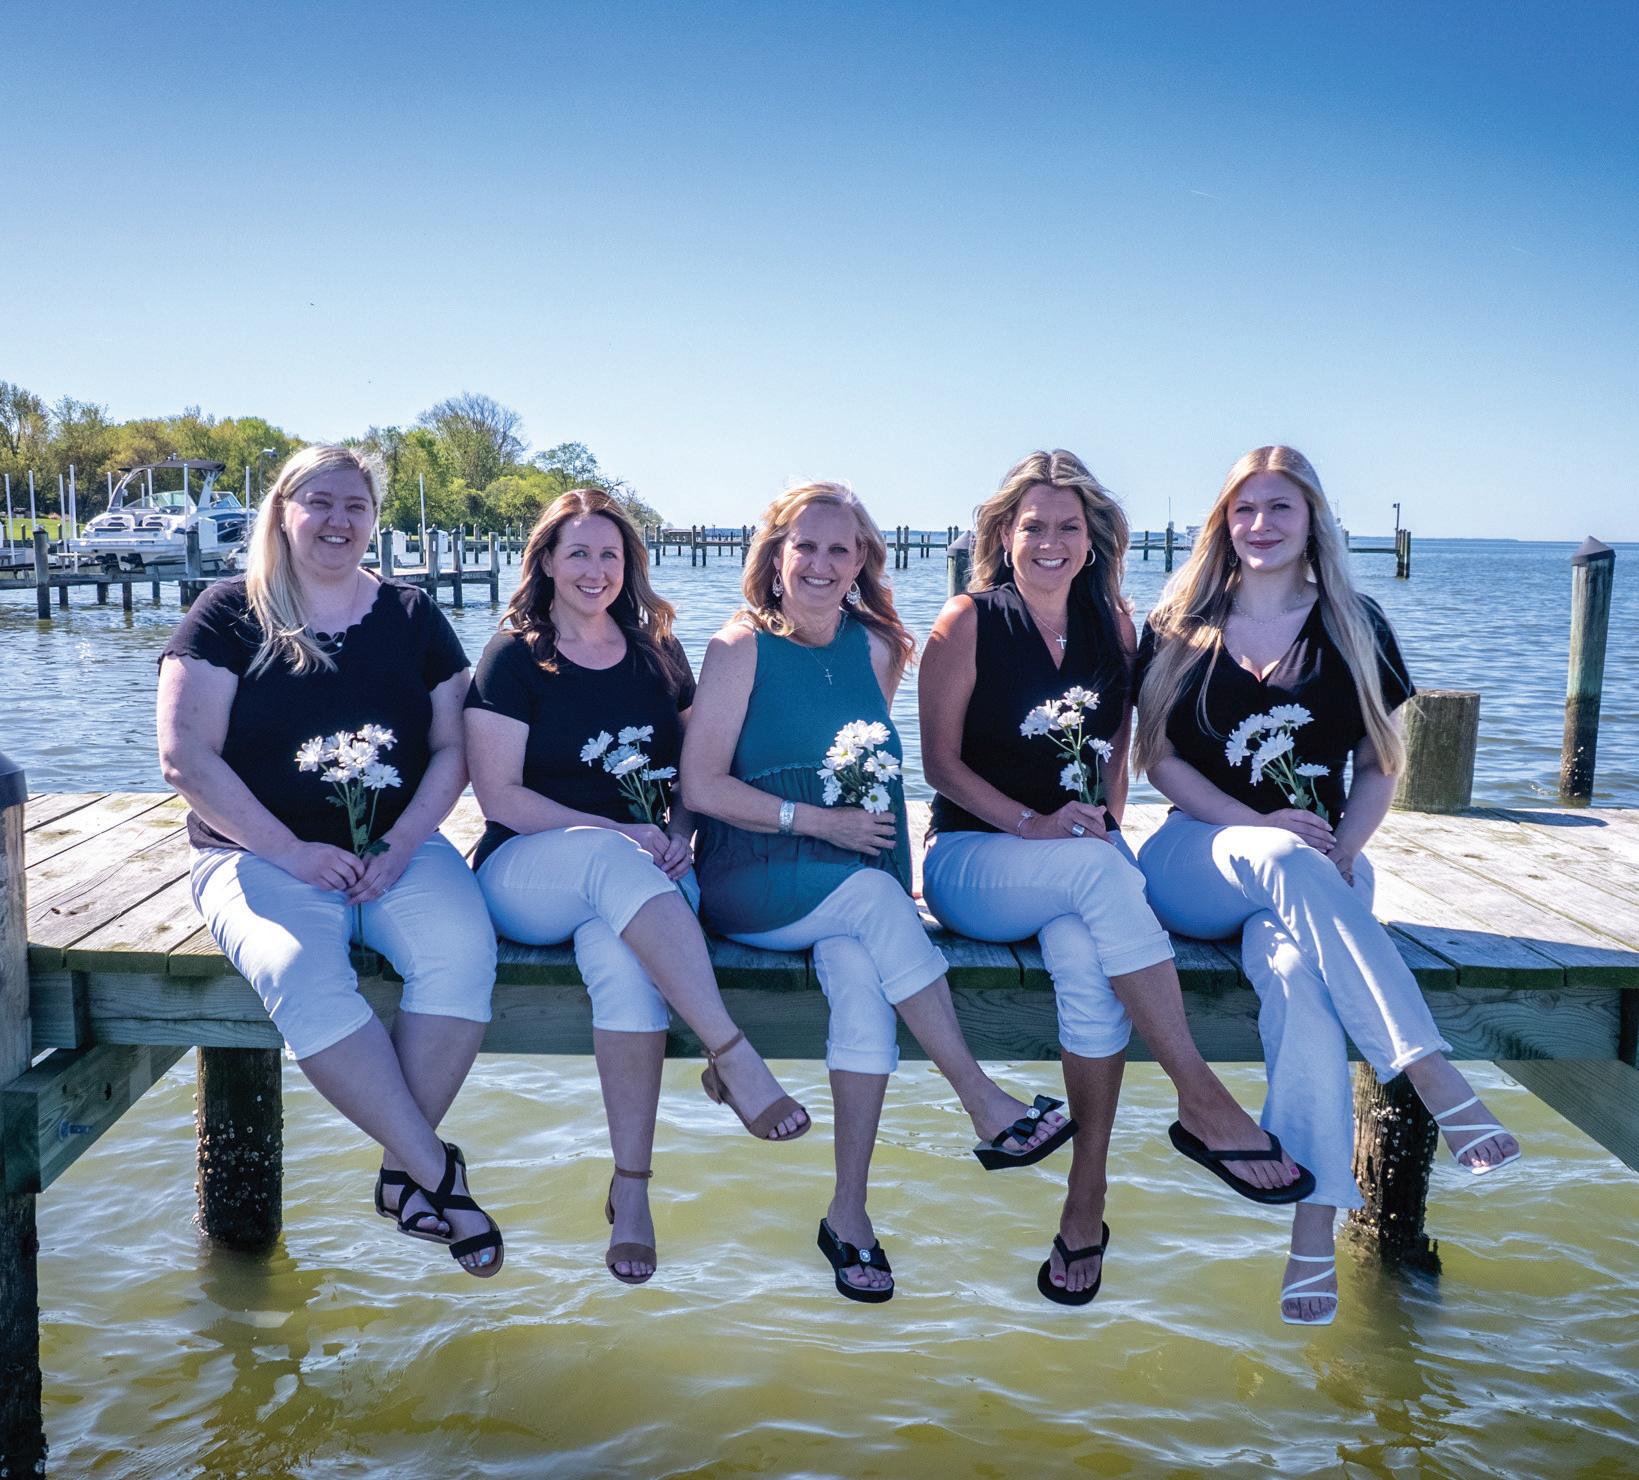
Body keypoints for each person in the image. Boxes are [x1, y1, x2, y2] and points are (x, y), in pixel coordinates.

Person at [1133, 444, 1521, 1325]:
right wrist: (1258, 825)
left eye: (1279, 507)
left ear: (1312, 519)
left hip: (1321, 869)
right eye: (1243, 509)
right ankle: (1429, 1073)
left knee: (1296, 979)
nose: (1260, 524)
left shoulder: (1353, 622)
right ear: (1222, 524)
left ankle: (1310, 1228)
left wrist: (1343, 850)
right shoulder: (1179, 622)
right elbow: (1157, 761)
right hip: (1196, 858)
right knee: (1278, 857)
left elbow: (1378, 764)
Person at [920, 449, 1313, 1307]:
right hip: (971, 862)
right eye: (1033, 527)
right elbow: (940, 766)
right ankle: (1200, 1096)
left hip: (1075, 872)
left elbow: (1115, 759)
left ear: (1092, 537)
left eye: (1068, 527)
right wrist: (1030, 825)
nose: (1050, 542)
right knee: (1101, 880)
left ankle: (1084, 1200)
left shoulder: (1115, 626)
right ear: (1004, 534)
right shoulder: (967, 620)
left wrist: (1102, 824)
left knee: (1085, 964)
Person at [683, 480, 1080, 1306]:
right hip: (752, 874)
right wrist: (814, 824)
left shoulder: (877, 647)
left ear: (862, 559)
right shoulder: (738, 647)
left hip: (851, 878)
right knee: (874, 908)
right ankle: (982, 1100)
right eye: (806, 546)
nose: (821, 564)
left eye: (841, 548)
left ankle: (849, 1216)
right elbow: (701, 785)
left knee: (863, 987)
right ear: (776, 555)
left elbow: (861, 770)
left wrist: (859, 841)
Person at [157, 445, 503, 1277]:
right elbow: (184, 758)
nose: (338, 520)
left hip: (396, 851)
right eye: (320, 502)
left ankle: (401, 1170)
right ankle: (436, 1173)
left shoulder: (412, 615)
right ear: (283, 511)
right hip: (255, 856)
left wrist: (402, 841)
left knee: (463, 953)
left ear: (374, 519)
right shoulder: (227, 613)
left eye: (357, 505)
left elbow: (454, 746)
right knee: (300, 973)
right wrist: (290, 851)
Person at [464, 487, 809, 1287]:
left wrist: (681, 834)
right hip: (529, 872)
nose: (595, 569)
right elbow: (499, 797)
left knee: (625, 974)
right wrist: (621, 833)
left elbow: (694, 774)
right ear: (547, 562)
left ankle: (632, 1189)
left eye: (610, 555)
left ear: (630, 566)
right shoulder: (515, 656)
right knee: (602, 857)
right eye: (578, 553)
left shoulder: (657, 652)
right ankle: (732, 1055)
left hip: (642, 880)